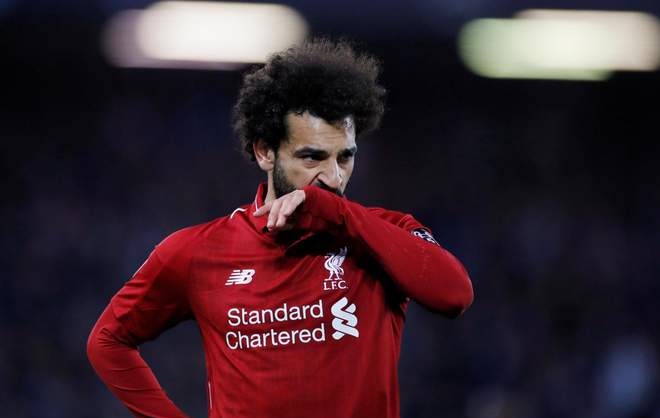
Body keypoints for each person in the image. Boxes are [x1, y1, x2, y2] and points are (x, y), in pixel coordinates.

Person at [87, 38, 474, 418]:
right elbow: (108, 341)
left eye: (345, 157)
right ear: (265, 152)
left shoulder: (385, 234)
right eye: (312, 158)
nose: (333, 177)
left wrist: (337, 213)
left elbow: (454, 295)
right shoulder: (198, 252)